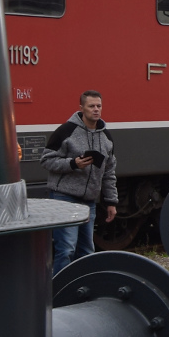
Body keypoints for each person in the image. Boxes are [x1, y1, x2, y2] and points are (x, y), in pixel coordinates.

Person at [43, 89, 118, 276]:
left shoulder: (106, 137)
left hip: (89, 201)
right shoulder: (66, 131)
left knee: (86, 251)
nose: (96, 110)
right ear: (81, 108)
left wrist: (111, 201)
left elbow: (109, 172)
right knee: (67, 249)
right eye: (91, 106)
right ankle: (58, 292)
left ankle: (81, 291)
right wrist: (72, 163)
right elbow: (46, 160)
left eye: (99, 106)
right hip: (64, 197)